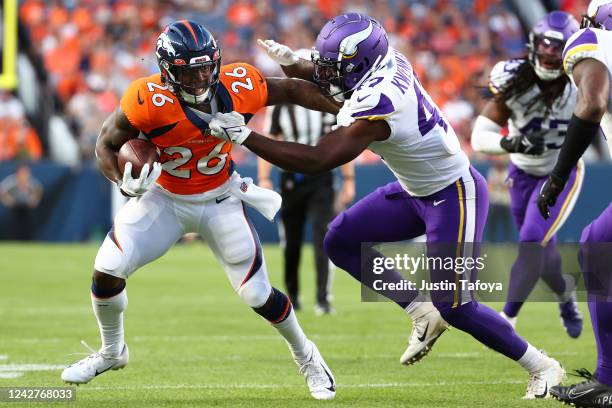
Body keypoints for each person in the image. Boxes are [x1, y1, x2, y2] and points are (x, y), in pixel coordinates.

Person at [209, 13, 565, 398]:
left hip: (453, 194)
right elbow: (325, 80)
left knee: (456, 304)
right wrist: (295, 64)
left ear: (360, 64)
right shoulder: (383, 61)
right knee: (341, 239)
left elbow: (317, 159)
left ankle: (542, 366)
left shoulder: (380, 104)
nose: (326, 73)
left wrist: (246, 135)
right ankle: (420, 312)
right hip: (417, 191)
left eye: (334, 67)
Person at [60, 20, 338, 400]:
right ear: (167, 72)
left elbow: (290, 89)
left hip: (220, 197)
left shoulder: (240, 84)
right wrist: (123, 182)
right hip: (164, 198)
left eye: (207, 67)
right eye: (190, 72)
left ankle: (308, 357)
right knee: (107, 270)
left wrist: (345, 108)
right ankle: (112, 351)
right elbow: (105, 146)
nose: (201, 77)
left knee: (257, 295)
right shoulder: (147, 99)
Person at [471, 11, 583, 337]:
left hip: (560, 172)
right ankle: (565, 294)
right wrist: (511, 141)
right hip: (520, 173)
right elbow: (481, 135)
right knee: (541, 253)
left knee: (532, 241)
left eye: (558, 46)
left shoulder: (582, 83)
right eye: (546, 44)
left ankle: (507, 321)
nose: (550, 52)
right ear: (533, 44)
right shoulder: (515, 80)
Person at [538, 1, 612, 405]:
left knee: (597, 249)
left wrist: (559, 174)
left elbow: (593, 101)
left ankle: (608, 381)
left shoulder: (591, 41)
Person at [258, 101, 355, 314]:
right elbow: (271, 139)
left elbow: (344, 141)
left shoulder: (325, 99)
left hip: (322, 177)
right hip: (291, 177)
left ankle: (323, 299)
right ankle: (292, 297)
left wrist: (348, 179)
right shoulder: (281, 106)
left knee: (324, 237)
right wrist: (264, 177)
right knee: (291, 242)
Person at [0, 164, 43, 240]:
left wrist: (34, 200)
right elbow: (2, 190)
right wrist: (7, 200)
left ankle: (27, 241)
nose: (24, 175)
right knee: (15, 226)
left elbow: (38, 189)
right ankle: (14, 241)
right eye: (22, 172)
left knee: (27, 226)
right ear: (18, 173)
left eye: (26, 172)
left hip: (27, 208)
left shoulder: (30, 182)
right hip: (16, 207)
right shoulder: (12, 181)